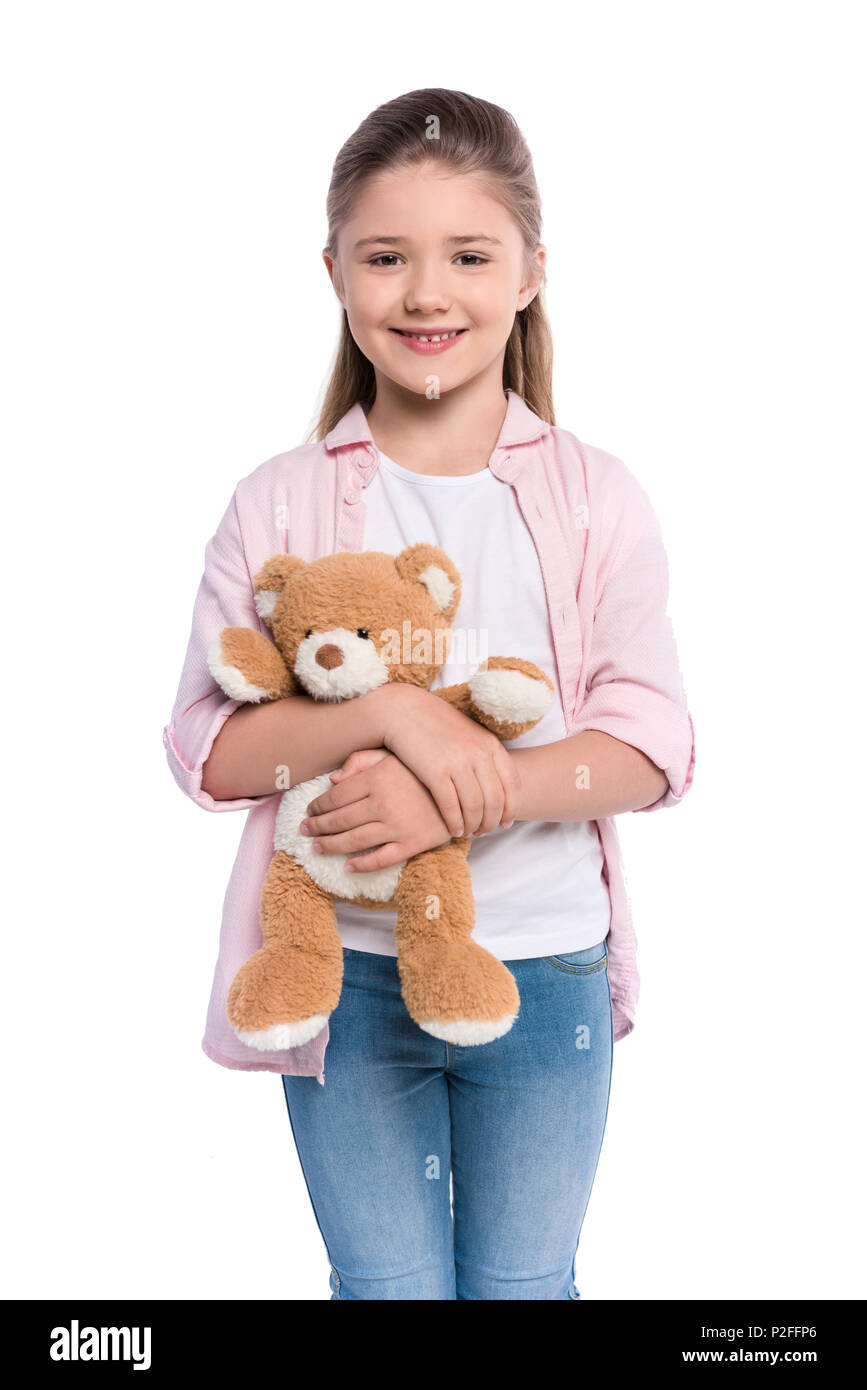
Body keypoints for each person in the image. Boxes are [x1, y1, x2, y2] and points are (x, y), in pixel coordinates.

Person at [162, 87, 696, 1300]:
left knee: (524, 1286)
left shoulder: (592, 496)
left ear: (530, 273)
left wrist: (482, 789)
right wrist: (389, 713)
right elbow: (208, 747)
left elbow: (655, 739)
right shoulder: (280, 502)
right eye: (386, 256)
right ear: (336, 271)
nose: (425, 293)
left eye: (468, 255)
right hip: (340, 977)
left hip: (544, 964)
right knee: (385, 1289)